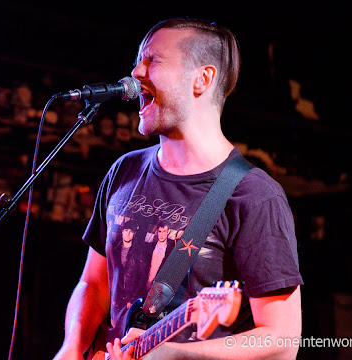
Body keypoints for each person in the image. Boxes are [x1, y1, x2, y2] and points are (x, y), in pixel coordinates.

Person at [53, 17, 303, 360]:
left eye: (152, 60)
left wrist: (175, 355)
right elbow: (93, 285)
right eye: (137, 61)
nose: (136, 73)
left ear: (203, 79)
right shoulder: (125, 170)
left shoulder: (254, 195)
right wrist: (72, 347)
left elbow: (282, 341)